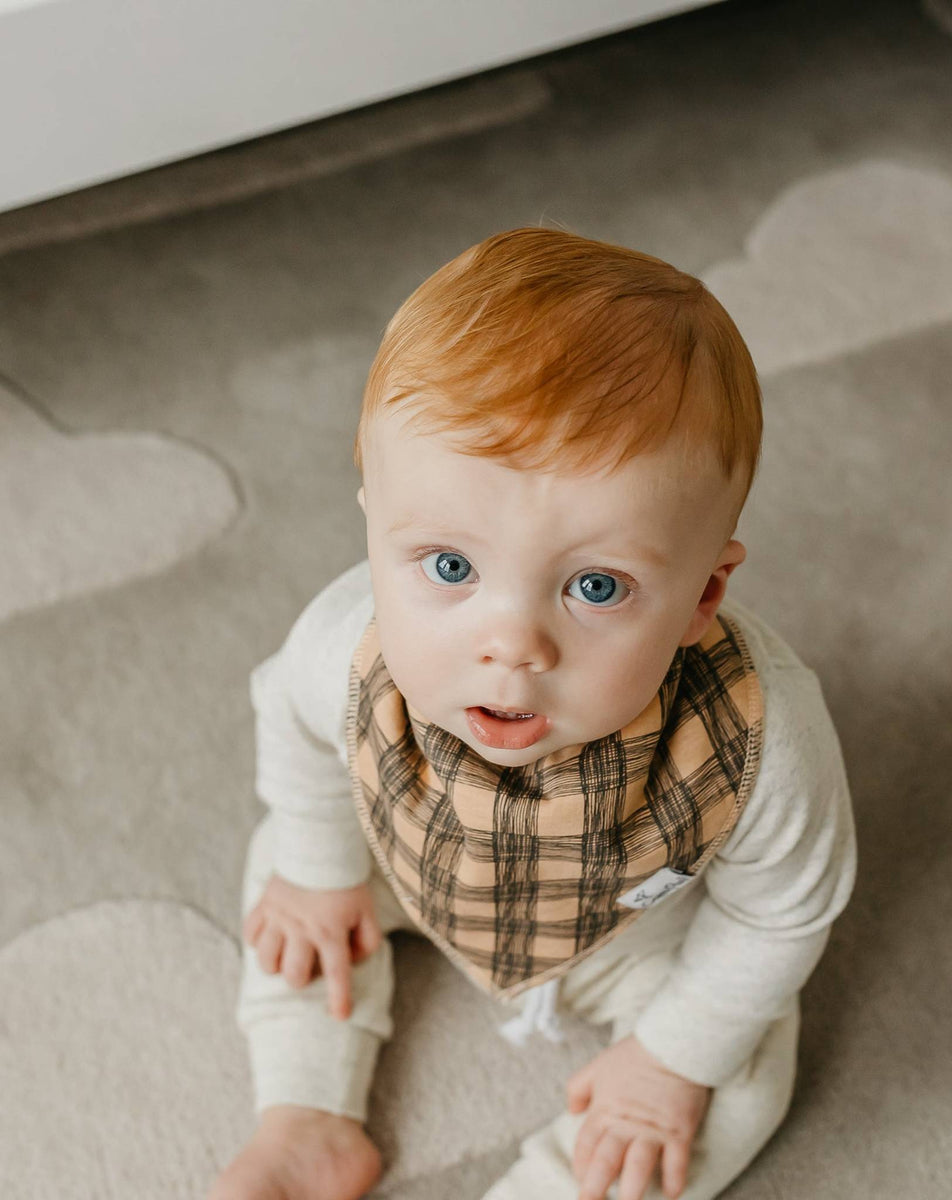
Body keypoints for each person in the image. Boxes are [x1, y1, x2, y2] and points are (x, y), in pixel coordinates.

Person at [208, 226, 856, 1200]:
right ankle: (306, 1116)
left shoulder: (761, 739)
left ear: (703, 595)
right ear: (375, 529)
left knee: (738, 1065)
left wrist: (672, 1058)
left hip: (638, 941)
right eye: (451, 568)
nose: (513, 645)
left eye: (596, 586)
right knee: (288, 887)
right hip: (412, 858)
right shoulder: (347, 646)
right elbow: (295, 728)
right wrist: (318, 871)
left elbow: (783, 912)